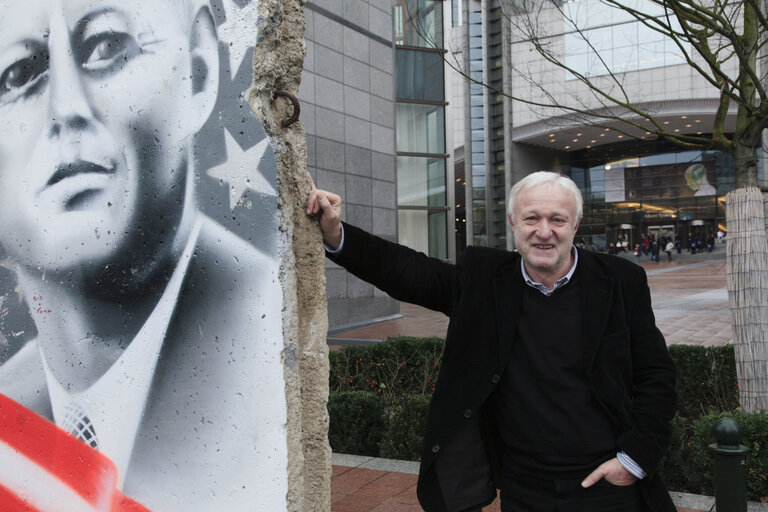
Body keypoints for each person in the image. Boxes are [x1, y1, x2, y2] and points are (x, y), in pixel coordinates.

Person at [0, 1, 286, 510]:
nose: (67, 108)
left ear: (197, 72)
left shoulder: (271, 358)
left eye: (107, 47)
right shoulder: (10, 407)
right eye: (18, 75)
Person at [308, 171, 677, 512]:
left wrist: (632, 462)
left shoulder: (620, 281)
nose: (544, 232)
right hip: (523, 487)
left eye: (557, 220)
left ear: (575, 225)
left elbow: (655, 376)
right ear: (514, 223)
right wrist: (336, 232)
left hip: (608, 488)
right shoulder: (483, 279)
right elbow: (407, 270)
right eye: (531, 218)